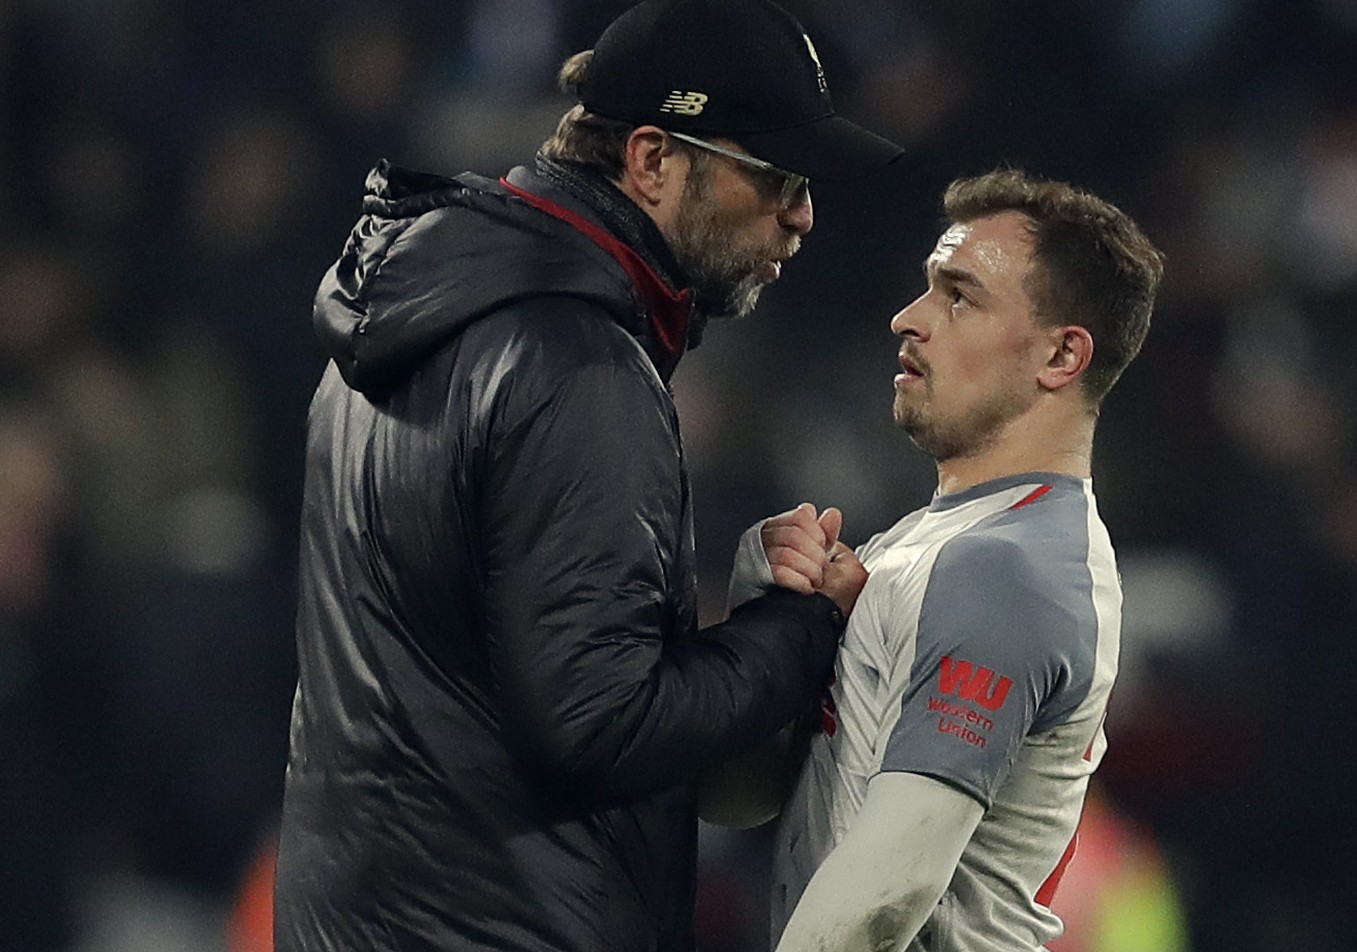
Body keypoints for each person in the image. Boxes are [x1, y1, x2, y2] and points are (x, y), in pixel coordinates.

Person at [272, 1, 900, 950]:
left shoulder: (403, 328)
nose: (802, 213)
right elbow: (601, 726)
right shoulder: (577, 366)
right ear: (651, 159)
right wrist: (799, 626)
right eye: (772, 175)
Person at [709, 169, 1164, 951]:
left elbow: (886, 896)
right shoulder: (914, 550)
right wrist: (769, 625)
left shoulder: (1011, 571)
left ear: (1061, 355)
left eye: (960, 296)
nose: (908, 318)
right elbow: (737, 799)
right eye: (928, 287)